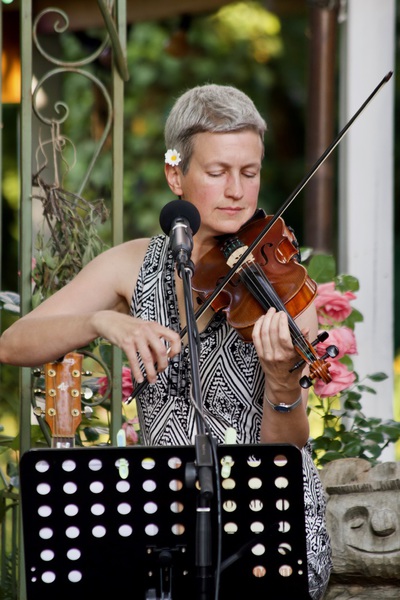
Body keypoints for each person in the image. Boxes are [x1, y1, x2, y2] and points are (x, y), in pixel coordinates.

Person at [0, 84, 332, 598]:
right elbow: (14, 343)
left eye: (249, 173)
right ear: (176, 174)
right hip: (163, 522)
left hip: (267, 523)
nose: (237, 191)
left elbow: (286, 447)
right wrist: (100, 322)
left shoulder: (284, 289)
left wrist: (282, 383)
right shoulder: (131, 265)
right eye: (217, 172)